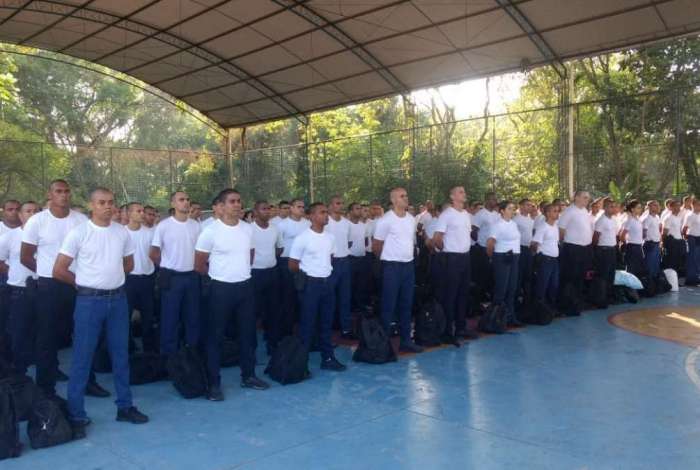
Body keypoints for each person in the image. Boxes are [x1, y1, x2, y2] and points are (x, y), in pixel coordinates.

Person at [53, 187, 148, 439]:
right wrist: (83, 283)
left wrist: (110, 279)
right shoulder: (79, 232)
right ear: (91, 205)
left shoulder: (121, 232)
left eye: (111, 202)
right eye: (102, 202)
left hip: (118, 300)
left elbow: (128, 264)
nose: (108, 206)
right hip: (89, 302)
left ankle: (125, 407)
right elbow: (59, 269)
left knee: (121, 356)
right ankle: (76, 414)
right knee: (82, 358)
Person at [21, 179, 108, 399]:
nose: (63, 195)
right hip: (49, 286)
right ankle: (45, 389)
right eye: (58, 191)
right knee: (47, 338)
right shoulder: (37, 221)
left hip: (79, 285)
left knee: (84, 335)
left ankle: (88, 382)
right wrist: (47, 272)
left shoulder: (81, 220)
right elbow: (25, 256)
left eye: (67, 191)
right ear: (49, 194)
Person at [195, 189, 269, 401]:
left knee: (248, 335)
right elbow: (199, 263)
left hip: (245, 287)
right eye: (232, 201)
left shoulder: (247, 230)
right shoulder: (210, 231)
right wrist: (219, 276)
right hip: (220, 289)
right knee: (215, 337)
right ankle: (214, 383)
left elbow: (250, 256)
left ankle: (249, 375)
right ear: (221, 205)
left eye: (239, 201)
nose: (237, 205)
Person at [289, 202, 347, 371]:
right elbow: (292, 265)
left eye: (326, 212)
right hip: (310, 285)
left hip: (327, 284)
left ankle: (328, 358)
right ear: (312, 216)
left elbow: (330, 258)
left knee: (326, 322)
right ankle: (302, 362)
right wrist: (308, 273)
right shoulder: (303, 238)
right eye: (322, 212)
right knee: (307, 324)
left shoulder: (330, 237)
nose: (326, 215)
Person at [150, 191, 201, 356]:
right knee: (169, 319)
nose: (186, 202)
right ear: (173, 204)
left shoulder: (196, 225)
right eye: (181, 200)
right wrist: (167, 267)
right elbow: (154, 253)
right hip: (172, 278)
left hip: (192, 277)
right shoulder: (163, 226)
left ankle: (192, 355)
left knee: (193, 318)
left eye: (187, 199)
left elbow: (201, 252)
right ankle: (168, 359)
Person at [373, 188, 423, 353]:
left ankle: (406, 340)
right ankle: (383, 344)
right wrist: (387, 260)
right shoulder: (385, 220)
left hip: (408, 266)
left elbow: (411, 241)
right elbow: (376, 246)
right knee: (388, 305)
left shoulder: (410, 219)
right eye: (402, 196)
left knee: (406, 304)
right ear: (393, 200)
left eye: (406, 195)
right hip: (391, 267)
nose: (406, 198)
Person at [432, 186, 478, 343]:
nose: (464, 194)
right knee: (450, 295)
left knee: (463, 293)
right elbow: (437, 237)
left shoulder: (466, 215)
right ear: (452, 197)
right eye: (460, 192)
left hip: (466, 257)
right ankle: (447, 331)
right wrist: (446, 253)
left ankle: (461, 327)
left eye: (464, 191)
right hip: (451, 258)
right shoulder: (446, 215)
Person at [0, 201, 39, 375]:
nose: (32, 214)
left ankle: (47, 369)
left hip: (44, 290)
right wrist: (13, 273)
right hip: (19, 291)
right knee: (19, 335)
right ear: (21, 215)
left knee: (43, 334)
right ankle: (18, 376)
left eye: (36, 211)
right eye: (28, 211)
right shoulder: (9, 237)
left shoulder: (47, 237)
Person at [125, 202, 157, 353]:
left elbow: (156, 254)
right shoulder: (121, 233)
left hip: (147, 279)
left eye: (143, 211)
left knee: (148, 316)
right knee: (126, 316)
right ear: (129, 213)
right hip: (128, 280)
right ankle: (129, 348)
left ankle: (149, 349)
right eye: (138, 211)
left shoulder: (150, 233)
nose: (142, 214)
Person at [250, 200, 281, 354]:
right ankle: (251, 348)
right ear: (255, 212)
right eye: (263, 209)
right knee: (253, 312)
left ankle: (272, 344)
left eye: (269, 209)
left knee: (273, 311)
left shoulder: (275, 229)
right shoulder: (249, 229)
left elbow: (279, 248)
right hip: (254, 274)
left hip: (272, 273)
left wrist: (269, 260)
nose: (267, 211)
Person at [276, 198, 310, 336]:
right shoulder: (282, 225)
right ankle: (287, 330)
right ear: (291, 208)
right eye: (298, 206)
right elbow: (278, 246)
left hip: (304, 263)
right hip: (287, 263)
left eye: (303, 207)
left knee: (304, 297)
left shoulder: (308, 224)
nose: (301, 209)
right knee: (288, 297)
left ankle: (304, 328)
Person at [487, 201, 522, 326]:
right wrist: (494, 259)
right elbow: (490, 243)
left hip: (514, 257)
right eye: (510, 208)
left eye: (513, 208)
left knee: (512, 288)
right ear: (502, 211)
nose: (513, 211)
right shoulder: (497, 225)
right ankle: (496, 318)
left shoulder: (513, 223)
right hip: (502, 257)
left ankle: (510, 316)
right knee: (501, 289)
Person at [558, 190, 593, 306]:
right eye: (584, 197)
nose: (587, 200)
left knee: (580, 276)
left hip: (585, 249)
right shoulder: (569, 211)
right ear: (576, 198)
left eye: (588, 198)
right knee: (570, 277)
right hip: (572, 248)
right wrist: (566, 244)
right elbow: (561, 230)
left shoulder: (585, 211)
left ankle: (577, 302)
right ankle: (567, 304)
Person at [325, 196, 353, 339]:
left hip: (344, 262)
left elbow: (349, 242)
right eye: (337, 203)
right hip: (330, 263)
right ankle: (328, 329)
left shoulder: (347, 223)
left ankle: (346, 328)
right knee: (329, 297)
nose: (340, 206)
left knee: (345, 296)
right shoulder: (325, 222)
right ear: (330, 206)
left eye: (342, 203)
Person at [0, 199, 21, 361]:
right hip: (5, 281)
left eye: (16, 209)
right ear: (3, 211)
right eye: (10, 209)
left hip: (27, 284)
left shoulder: (29, 231)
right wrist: (11, 273)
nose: (13, 212)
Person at [471, 192, 499, 301]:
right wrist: (481, 243)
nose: (495, 201)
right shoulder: (481, 214)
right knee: (482, 277)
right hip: (483, 249)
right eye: (493, 199)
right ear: (487, 200)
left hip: (495, 249)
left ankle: (491, 302)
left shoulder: (497, 215)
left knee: (492, 277)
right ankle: (480, 301)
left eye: (496, 199)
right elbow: (473, 231)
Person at [530, 203, 560, 307]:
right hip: (545, 260)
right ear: (547, 213)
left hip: (554, 260)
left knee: (554, 285)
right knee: (542, 284)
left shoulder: (555, 226)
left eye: (557, 211)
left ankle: (550, 308)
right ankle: (539, 308)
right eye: (555, 211)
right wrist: (538, 258)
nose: (557, 213)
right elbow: (534, 244)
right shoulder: (543, 227)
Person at [593, 199, 619, 301]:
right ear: (605, 208)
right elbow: (595, 237)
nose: (613, 209)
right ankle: (601, 299)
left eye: (614, 206)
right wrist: (597, 249)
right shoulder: (601, 220)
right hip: (603, 250)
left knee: (610, 274)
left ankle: (609, 296)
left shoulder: (613, 219)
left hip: (612, 249)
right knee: (603, 275)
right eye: (611, 207)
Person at [347, 202, 369, 313]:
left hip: (362, 259)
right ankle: (350, 308)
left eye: (360, 208)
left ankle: (360, 308)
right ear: (350, 211)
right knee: (350, 285)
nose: (359, 210)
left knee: (362, 285)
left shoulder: (362, 225)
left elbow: (365, 241)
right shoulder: (346, 225)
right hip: (350, 259)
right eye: (357, 208)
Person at [513, 198, 535, 302]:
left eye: (530, 205)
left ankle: (527, 300)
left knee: (528, 275)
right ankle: (515, 300)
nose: (529, 207)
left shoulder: (531, 220)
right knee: (519, 275)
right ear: (521, 206)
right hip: (519, 249)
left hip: (528, 249)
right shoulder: (516, 219)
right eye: (527, 205)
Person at [619, 200, 645, 279]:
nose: (640, 209)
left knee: (638, 269)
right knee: (631, 269)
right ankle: (629, 289)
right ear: (632, 209)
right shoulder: (629, 220)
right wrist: (626, 245)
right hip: (632, 247)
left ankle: (635, 288)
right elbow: (622, 235)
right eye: (638, 208)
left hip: (638, 246)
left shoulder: (638, 220)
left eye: (640, 208)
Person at [662, 200, 684, 274]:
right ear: (671, 207)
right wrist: (664, 244)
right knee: (671, 262)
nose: (678, 208)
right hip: (672, 242)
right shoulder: (668, 218)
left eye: (679, 206)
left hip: (679, 242)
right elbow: (664, 232)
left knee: (678, 262)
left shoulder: (678, 218)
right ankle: (670, 280)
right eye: (676, 206)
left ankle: (676, 279)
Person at [641, 200, 662, 280]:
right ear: (649, 207)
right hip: (650, 244)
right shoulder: (647, 218)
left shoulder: (657, 217)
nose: (658, 207)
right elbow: (643, 232)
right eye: (655, 205)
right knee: (649, 265)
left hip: (656, 244)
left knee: (656, 265)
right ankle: (649, 283)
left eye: (658, 205)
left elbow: (658, 230)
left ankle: (655, 283)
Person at [682, 199, 700, 286]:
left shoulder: (699, 214)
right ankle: (691, 280)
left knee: (697, 260)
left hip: (699, 238)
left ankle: (696, 278)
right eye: (698, 205)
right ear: (693, 205)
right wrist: (687, 239)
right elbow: (684, 229)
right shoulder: (690, 215)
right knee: (692, 259)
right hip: (692, 238)